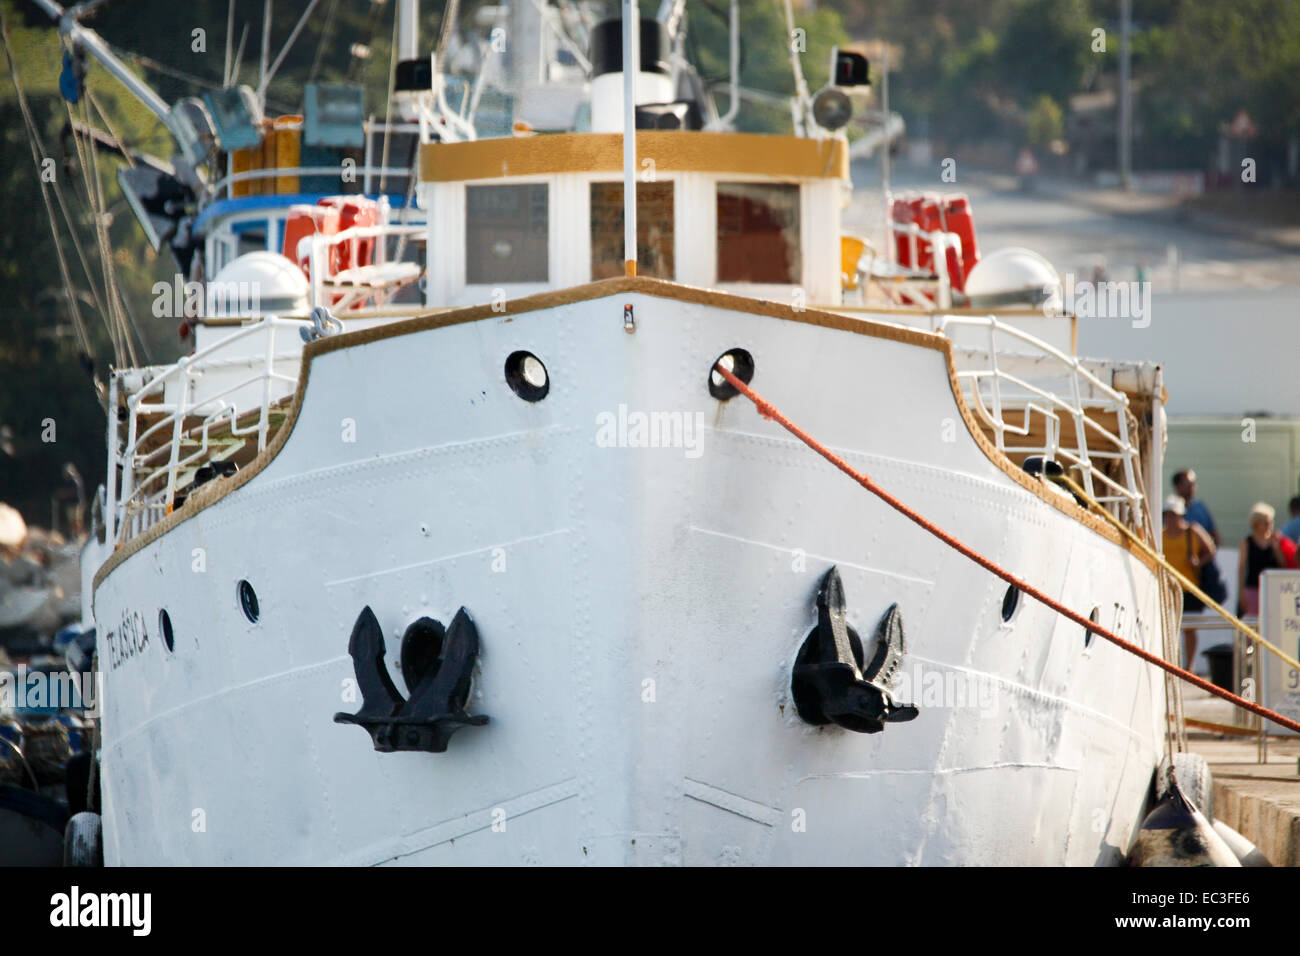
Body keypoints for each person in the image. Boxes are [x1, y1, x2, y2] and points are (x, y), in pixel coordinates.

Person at [1162, 494, 1215, 669]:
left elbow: (1210, 550)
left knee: (1189, 630)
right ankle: (1171, 664)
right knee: (1168, 628)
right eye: (1168, 514)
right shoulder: (1160, 534)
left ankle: (1189, 666)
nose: (1170, 518)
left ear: (1181, 515)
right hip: (1166, 588)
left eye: (1174, 514)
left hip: (1189, 587)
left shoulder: (1192, 531)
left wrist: (1198, 562)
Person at [1237, 502, 1287, 618]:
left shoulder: (1276, 541)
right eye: (1266, 523)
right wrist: (1241, 593)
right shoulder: (1247, 543)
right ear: (1256, 525)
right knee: (1253, 623)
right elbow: (1242, 569)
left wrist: (1276, 548)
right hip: (1253, 589)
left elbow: (1282, 563)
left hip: (1273, 590)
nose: (1269, 525)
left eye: (1270, 522)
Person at [1173, 469, 1219, 546]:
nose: (1192, 487)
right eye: (1188, 484)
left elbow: (1214, 533)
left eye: (1193, 484)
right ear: (1177, 486)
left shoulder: (1201, 507)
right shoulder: (1170, 511)